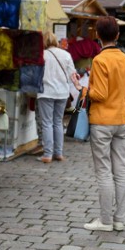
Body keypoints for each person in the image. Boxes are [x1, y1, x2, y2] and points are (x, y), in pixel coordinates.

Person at [83, 16, 125, 232]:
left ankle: (106, 221)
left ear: (97, 35)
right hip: (120, 121)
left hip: (102, 121)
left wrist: (82, 88)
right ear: (117, 35)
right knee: (121, 171)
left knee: (103, 172)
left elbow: (99, 94)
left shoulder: (99, 60)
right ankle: (119, 219)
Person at [37, 31, 78, 163]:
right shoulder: (66, 55)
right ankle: (58, 153)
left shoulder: (41, 55)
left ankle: (47, 154)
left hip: (46, 92)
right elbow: (73, 75)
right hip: (62, 93)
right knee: (58, 122)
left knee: (47, 123)